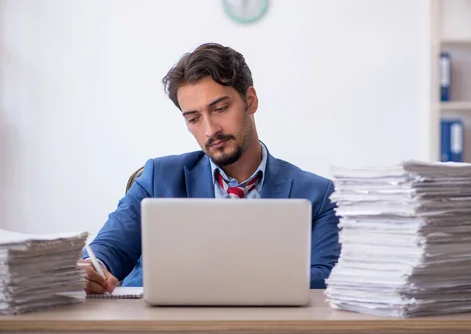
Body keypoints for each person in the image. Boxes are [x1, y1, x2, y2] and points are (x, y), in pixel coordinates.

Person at [78, 43, 340, 294]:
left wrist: (230, 279)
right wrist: (90, 270)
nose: (210, 130)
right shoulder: (159, 177)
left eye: (220, 109)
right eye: (193, 118)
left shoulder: (318, 194)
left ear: (250, 100)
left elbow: (324, 278)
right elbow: (108, 251)